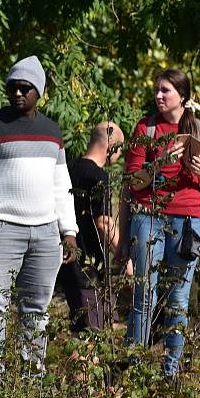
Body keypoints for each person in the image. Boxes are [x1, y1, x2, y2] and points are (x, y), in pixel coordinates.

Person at [0, 55, 79, 389]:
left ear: (38, 92)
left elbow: (62, 185)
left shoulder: (52, 132)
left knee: (36, 309)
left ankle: (31, 384)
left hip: (45, 233)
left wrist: (68, 231)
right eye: (12, 87)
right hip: (0, 229)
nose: (17, 94)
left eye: (25, 88)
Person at [118, 68, 200, 378]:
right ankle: (134, 368)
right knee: (144, 295)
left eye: (166, 91)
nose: (158, 95)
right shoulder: (146, 129)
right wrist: (160, 162)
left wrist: (198, 170)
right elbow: (132, 183)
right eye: (157, 90)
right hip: (149, 217)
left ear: (183, 97)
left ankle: (170, 372)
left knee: (178, 300)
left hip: (188, 223)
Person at [56, 121, 128, 333]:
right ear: (112, 147)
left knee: (97, 327)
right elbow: (104, 223)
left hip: (68, 262)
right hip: (89, 268)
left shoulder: (68, 169)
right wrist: (124, 253)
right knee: (90, 334)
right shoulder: (99, 177)